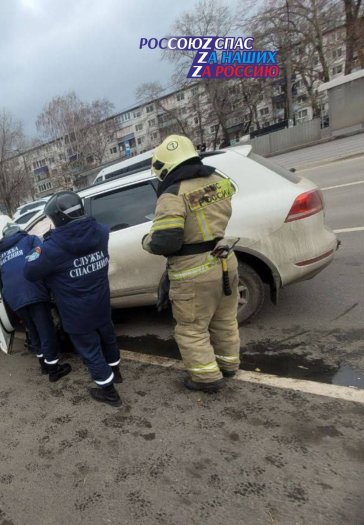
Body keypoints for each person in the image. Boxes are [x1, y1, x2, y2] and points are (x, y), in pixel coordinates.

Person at [142, 134, 240, 392]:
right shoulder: (218, 180)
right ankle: (229, 366)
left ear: (165, 166)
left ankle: (206, 378)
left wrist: (146, 241)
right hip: (225, 259)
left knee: (191, 329)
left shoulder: (173, 194)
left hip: (193, 270)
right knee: (225, 319)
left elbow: (166, 242)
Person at [24, 191, 123, 407]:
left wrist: (41, 246)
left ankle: (109, 392)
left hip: (76, 312)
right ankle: (116, 372)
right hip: (101, 302)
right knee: (108, 338)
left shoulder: (51, 248)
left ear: (58, 219)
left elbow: (29, 272)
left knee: (90, 351)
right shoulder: (101, 231)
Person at [0, 223, 71, 382]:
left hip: (13, 298)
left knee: (33, 330)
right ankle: (54, 370)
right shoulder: (29, 240)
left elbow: (2, 275)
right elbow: (44, 258)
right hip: (32, 289)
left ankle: (43, 364)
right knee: (45, 330)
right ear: (19, 231)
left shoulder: (0, 253)